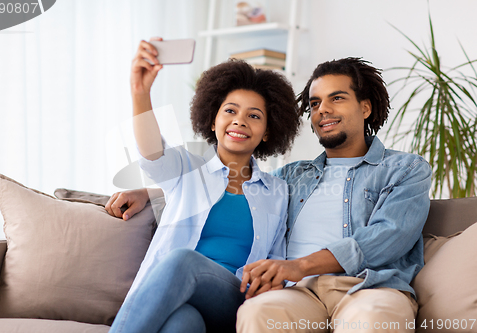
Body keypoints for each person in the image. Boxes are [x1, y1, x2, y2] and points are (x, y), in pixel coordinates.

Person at [105, 38, 301, 333]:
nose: (240, 121)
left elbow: (277, 259)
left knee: (183, 261)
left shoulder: (278, 191)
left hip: (234, 299)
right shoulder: (186, 169)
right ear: (212, 120)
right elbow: (151, 153)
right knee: (182, 323)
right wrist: (140, 92)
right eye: (230, 111)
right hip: (181, 298)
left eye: (254, 116)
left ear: (267, 132)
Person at [236, 57, 432, 333]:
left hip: (368, 288)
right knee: (257, 313)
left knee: (373, 320)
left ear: (365, 108)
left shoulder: (405, 169)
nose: (322, 110)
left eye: (336, 98)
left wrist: (300, 266)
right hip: (297, 293)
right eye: (314, 103)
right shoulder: (289, 176)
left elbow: (389, 236)